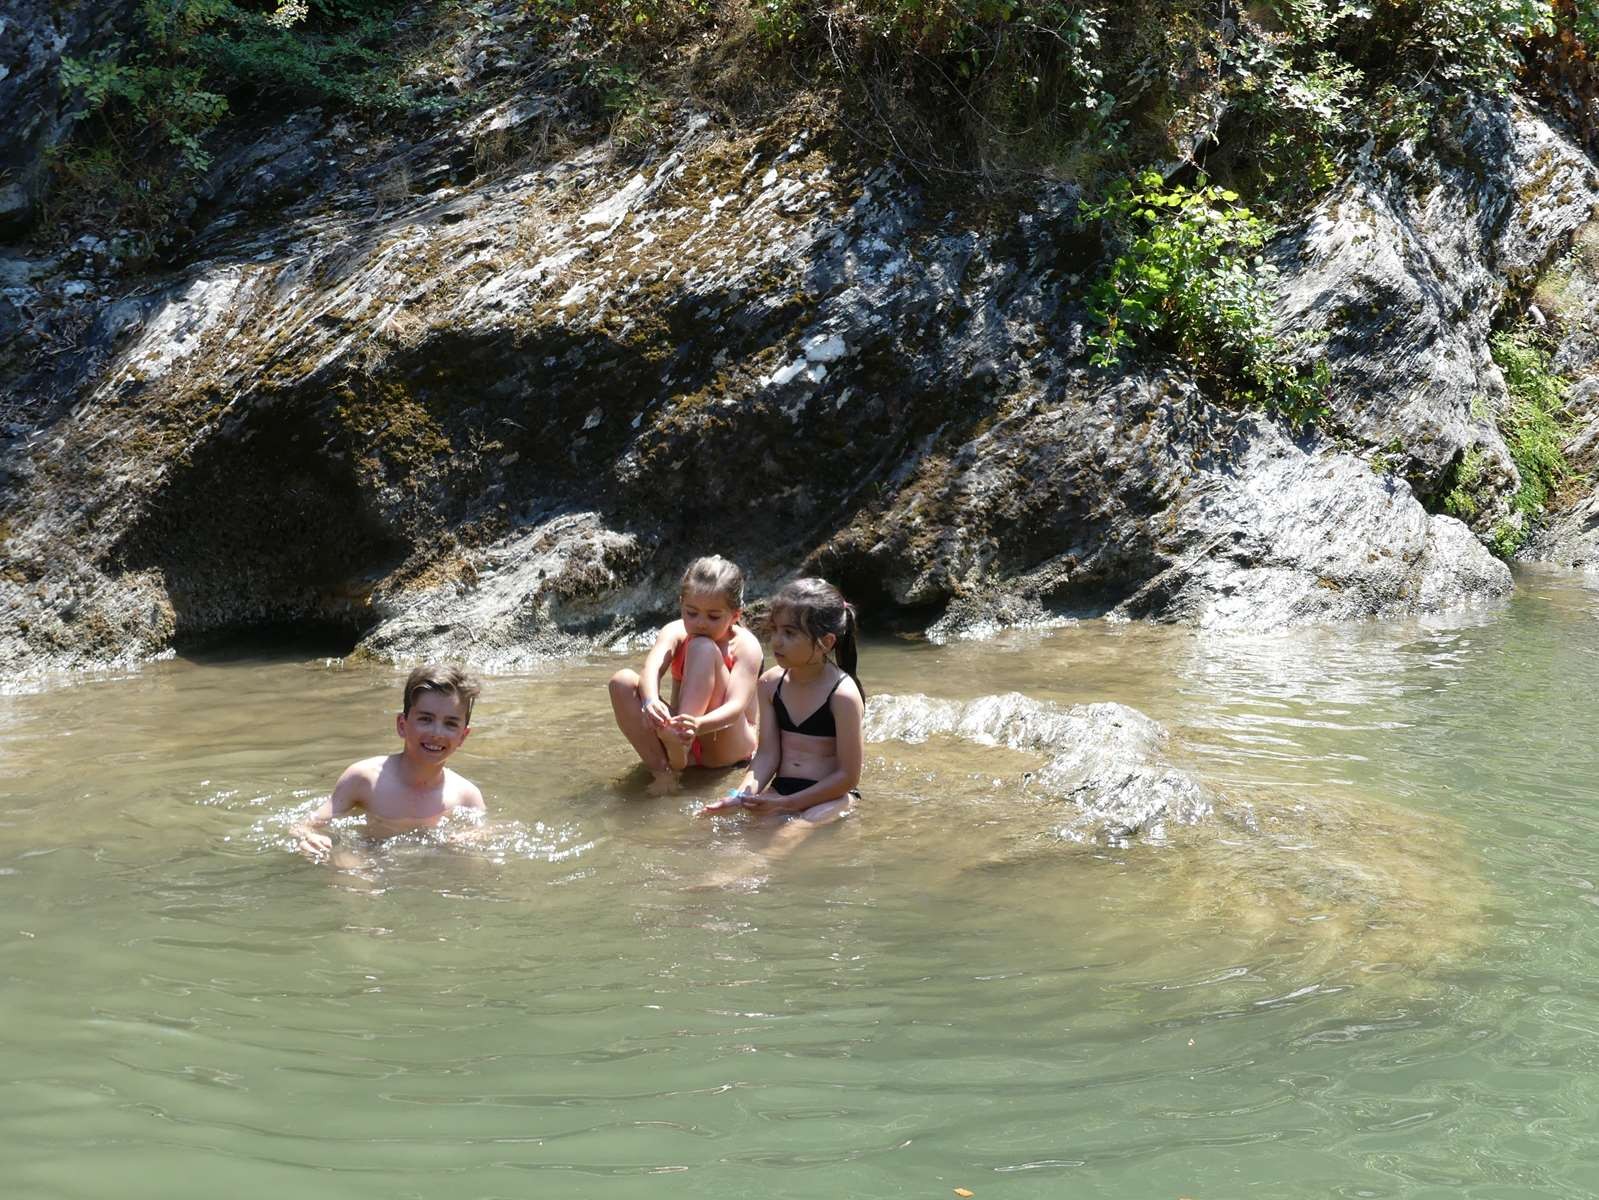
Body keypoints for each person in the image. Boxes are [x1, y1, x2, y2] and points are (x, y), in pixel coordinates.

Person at [700, 576, 863, 825]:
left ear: (826, 642)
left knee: (784, 842)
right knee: (736, 840)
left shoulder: (843, 695)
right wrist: (741, 796)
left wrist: (788, 804)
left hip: (831, 796)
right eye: (774, 629)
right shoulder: (770, 684)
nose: (776, 641)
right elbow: (766, 755)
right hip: (781, 790)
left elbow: (848, 776)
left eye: (789, 633)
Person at [294, 665, 485, 860]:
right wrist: (309, 837)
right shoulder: (363, 779)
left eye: (450, 724)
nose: (437, 733)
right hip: (367, 856)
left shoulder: (467, 797)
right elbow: (304, 825)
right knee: (349, 866)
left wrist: (473, 837)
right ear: (402, 725)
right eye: (426, 719)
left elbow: (482, 833)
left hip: (429, 869)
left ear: (463, 736)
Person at [609, 555, 762, 793]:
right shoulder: (674, 631)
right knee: (622, 682)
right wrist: (650, 701)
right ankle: (663, 771)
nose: (701, 623)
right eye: (692, 613)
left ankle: (679, 745)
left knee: (702, 647)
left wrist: (696, 725)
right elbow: (651, 669)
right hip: (683, 736)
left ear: (735, 615)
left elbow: (735, 708)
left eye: (713, 616)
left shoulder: (746, 646)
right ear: (681, 604)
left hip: (725, 742)